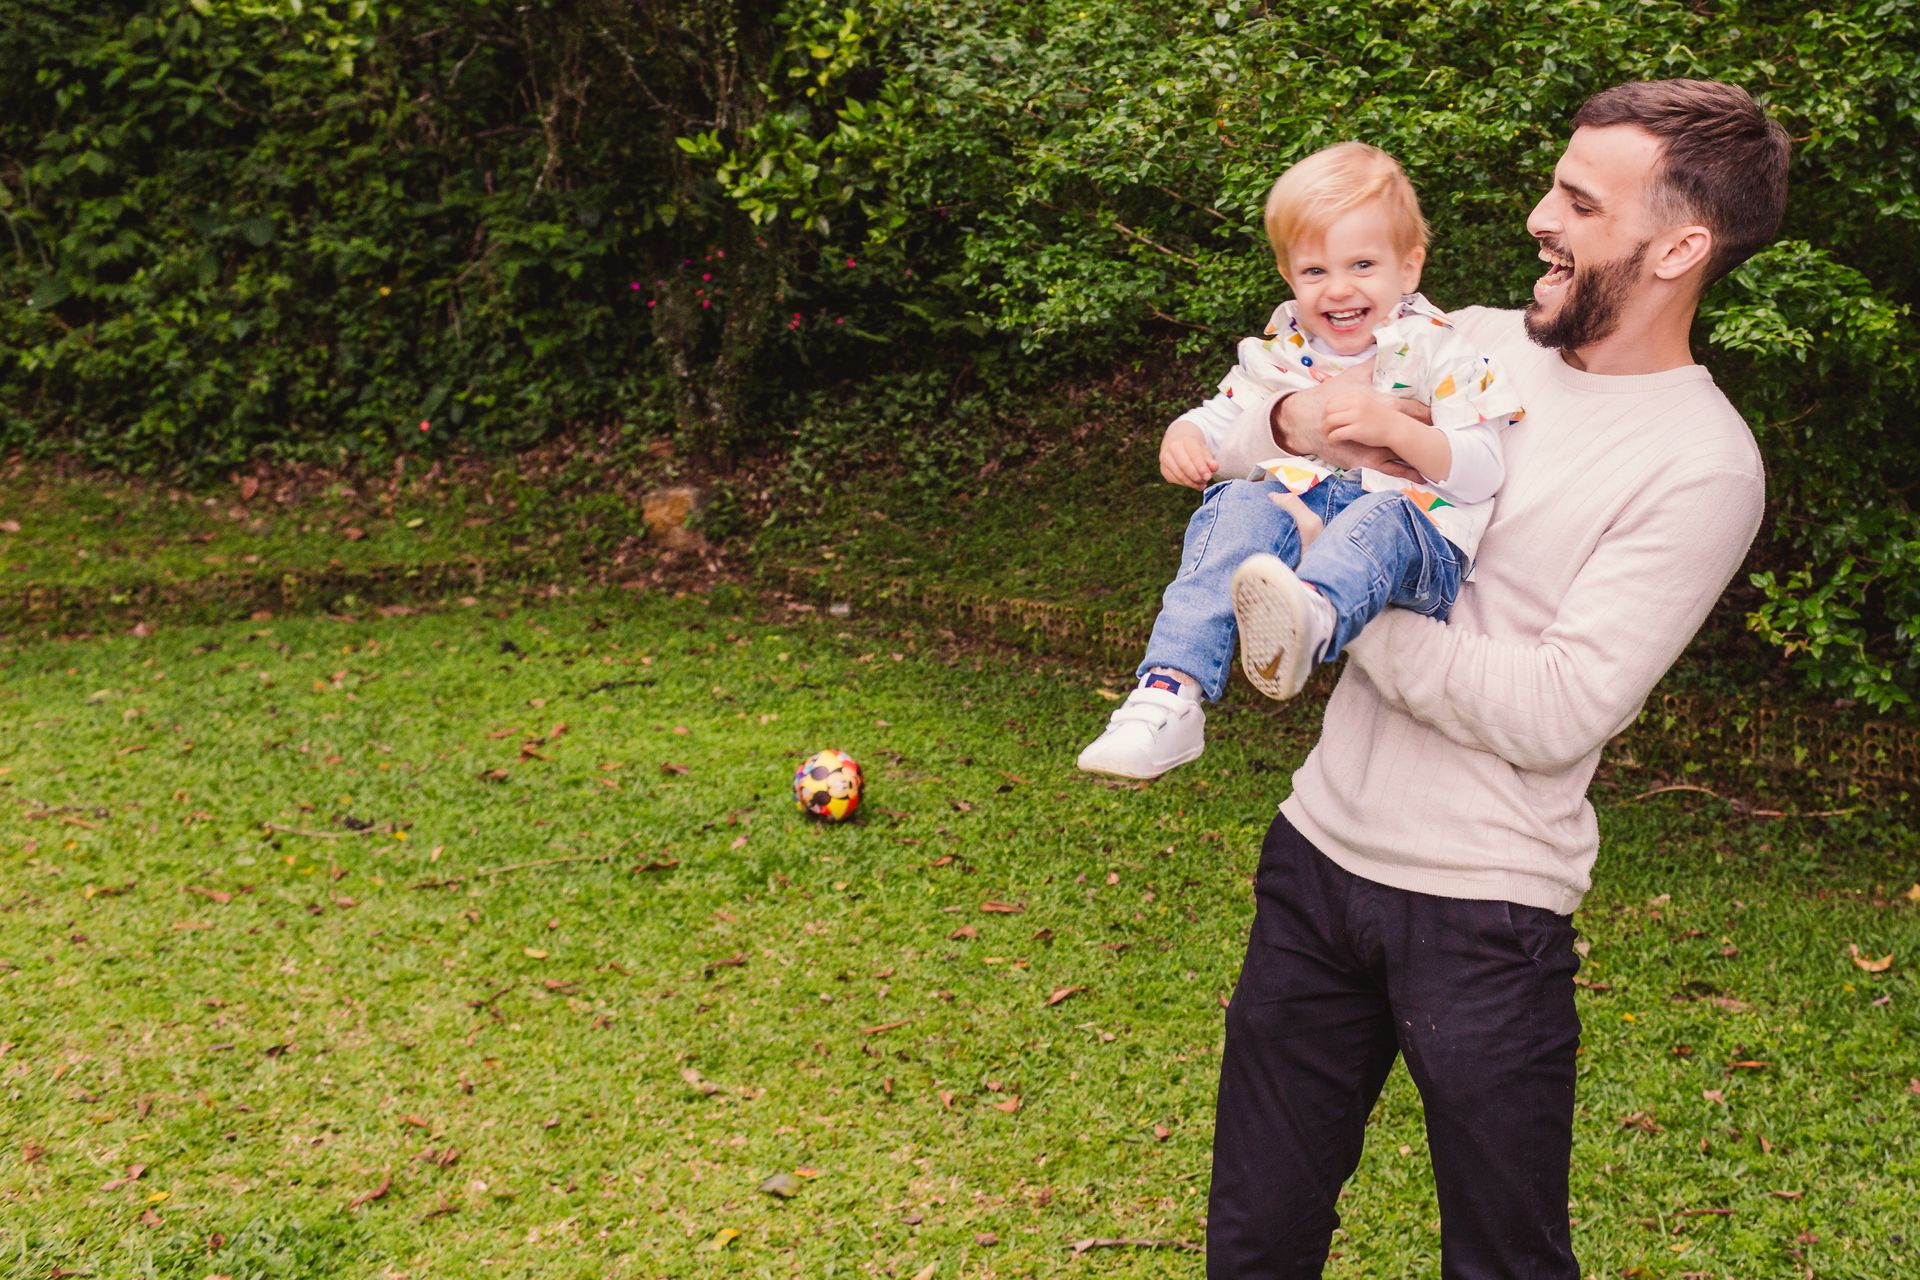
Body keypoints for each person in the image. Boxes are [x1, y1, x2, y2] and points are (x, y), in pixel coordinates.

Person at [1204, 79, 1786, 1278]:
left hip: (1485, 911)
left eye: (1578, 200)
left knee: (1503, 1259)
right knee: (1254, 1239)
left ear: (1680, 245)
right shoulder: (1456, 344)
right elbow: (1262, 413)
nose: (1539, 216)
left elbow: (1555, 707)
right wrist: (1267, 442)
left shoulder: (1702, 462)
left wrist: (1325, 608)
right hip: (1316, 856)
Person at [1077, 143, 1524, 780]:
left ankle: (1311, 613)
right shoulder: (1280, 354)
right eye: (1314, 271)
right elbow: (1220, 416)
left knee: (1384, 510)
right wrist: (1183, 433)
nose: (1338, 289)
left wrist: (1394, 427)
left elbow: (1483, 471)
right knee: (1234, 501)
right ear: (1290, 276)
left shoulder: (1443, 351)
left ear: (1409, 266)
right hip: (1312, 528)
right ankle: (1168, 694)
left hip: (1418, 545)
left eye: (1363, 264)